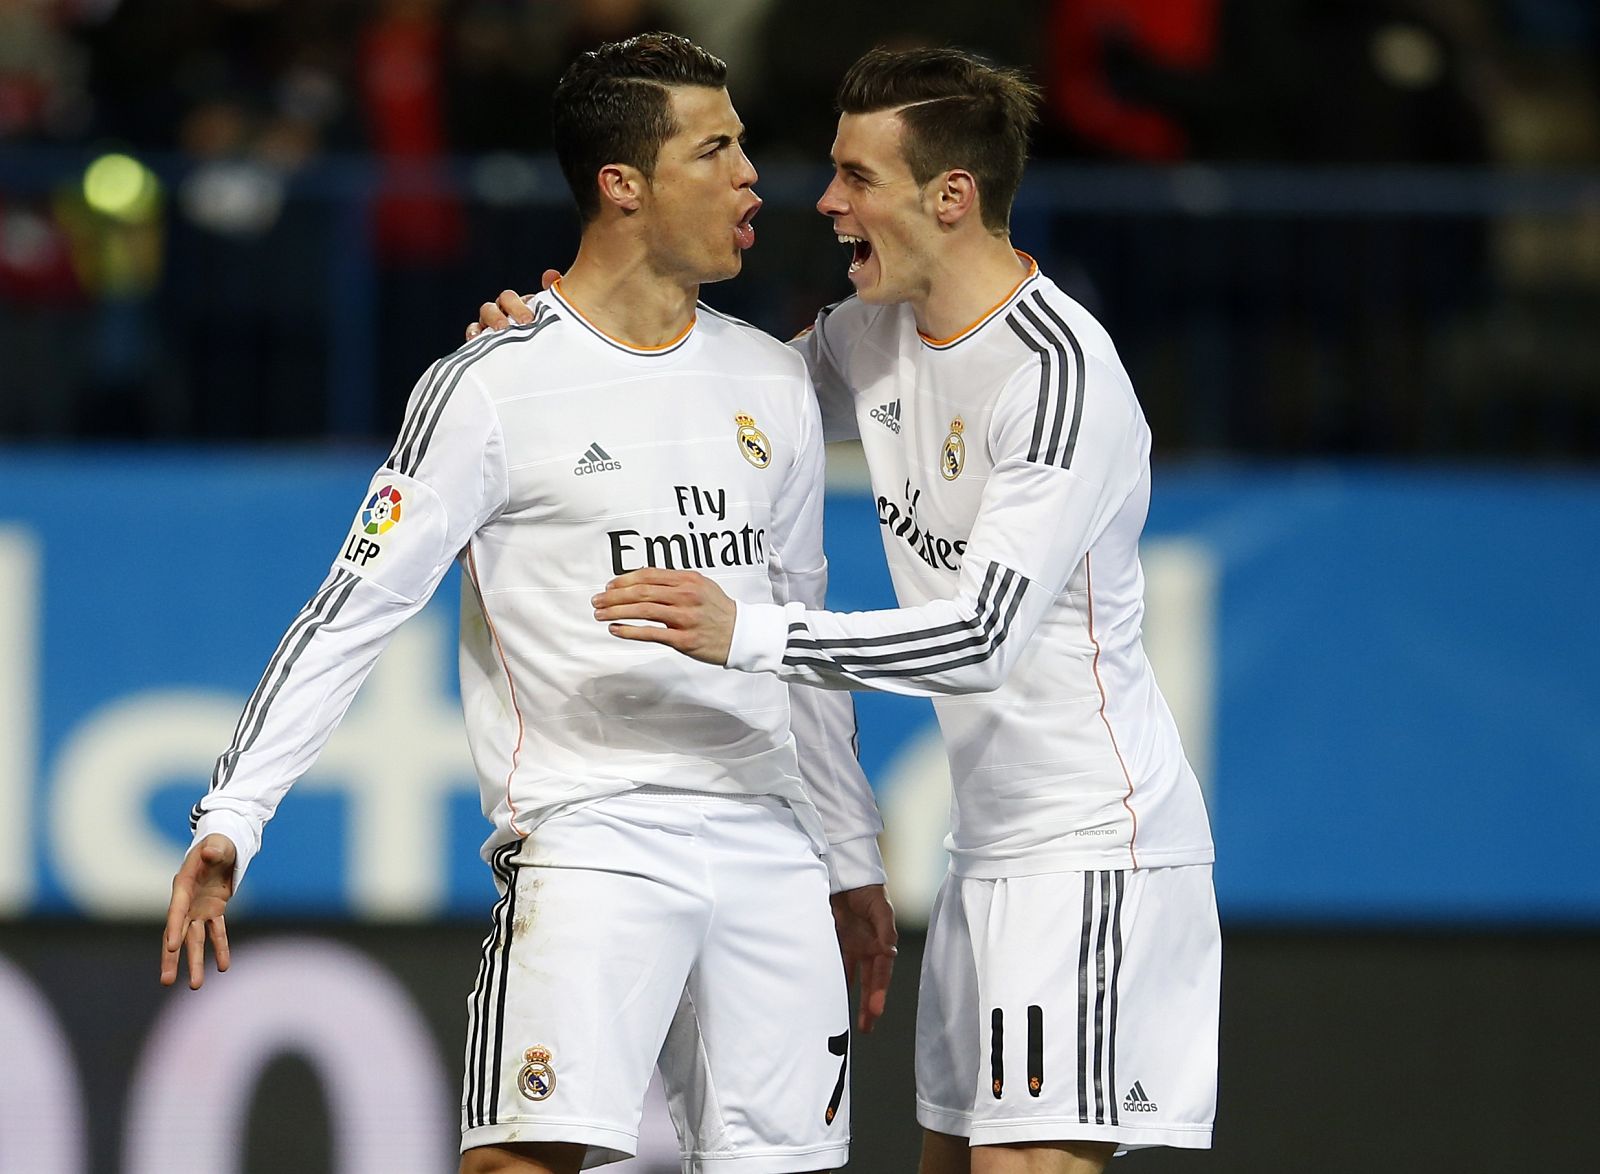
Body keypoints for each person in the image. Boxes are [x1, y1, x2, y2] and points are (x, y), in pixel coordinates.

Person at [161, 33, 896, 1174]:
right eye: (715, 150)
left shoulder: (774, 381)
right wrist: (234, 814)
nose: (753, 175)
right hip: (593, 839)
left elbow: (797, 637)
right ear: (622, 184)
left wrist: (847, 855)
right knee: (518, 1161)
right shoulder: (491, 385)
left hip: (770, 842)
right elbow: (352, 610)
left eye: (743, 145)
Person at [483, 44, 1219, 1174]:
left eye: (857, 177)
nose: (824, 201)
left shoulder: (1059, 375)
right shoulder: (867, 336)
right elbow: (709, 395)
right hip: (987, 853)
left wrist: (748, 634)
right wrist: (544, 350)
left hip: (1092, 849)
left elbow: (981, 636)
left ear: (950, 196)